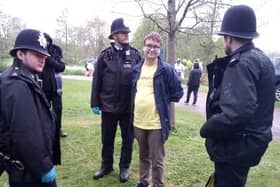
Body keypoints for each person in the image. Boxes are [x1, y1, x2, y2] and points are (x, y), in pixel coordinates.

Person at [200, 5, 275, 187]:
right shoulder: (262, 59)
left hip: (236, 146)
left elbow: (237, 113)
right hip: (250, 144)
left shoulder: (240, 63)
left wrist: (207, 129)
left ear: (229, 37)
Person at [0, 29, 58, 186]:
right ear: (20, 54)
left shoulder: (26, 77)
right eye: (37, 55)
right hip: (29, 171)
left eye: (44, 55)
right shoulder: (16, 84)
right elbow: (25, 133)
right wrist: (44, 167)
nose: (43, 59)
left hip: (30, 166)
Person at [90, 18, 142, 182]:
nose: (126, 35)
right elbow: (97, 80)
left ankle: (124, 167)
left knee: (128, 139)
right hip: (109, 106)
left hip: (129, 107)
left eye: (127, 32)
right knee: (107, 139)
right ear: (114, 35)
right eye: (123, 32)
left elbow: (141, 79)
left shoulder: (135, 55)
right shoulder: (105, 55)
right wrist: (95, 102)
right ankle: (106, 165)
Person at [132, 32, 183, 187]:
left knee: (157, 160)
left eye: (155, 46)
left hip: (156, 124)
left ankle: (157, 185)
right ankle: (143, 182)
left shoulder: (166, 69)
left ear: (160, 49)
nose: (152, 49)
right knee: (143, 156)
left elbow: (178, 93)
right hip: (138, 121)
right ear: (143, 47)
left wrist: (162, 99)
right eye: (149, 45)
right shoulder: (137, 68)